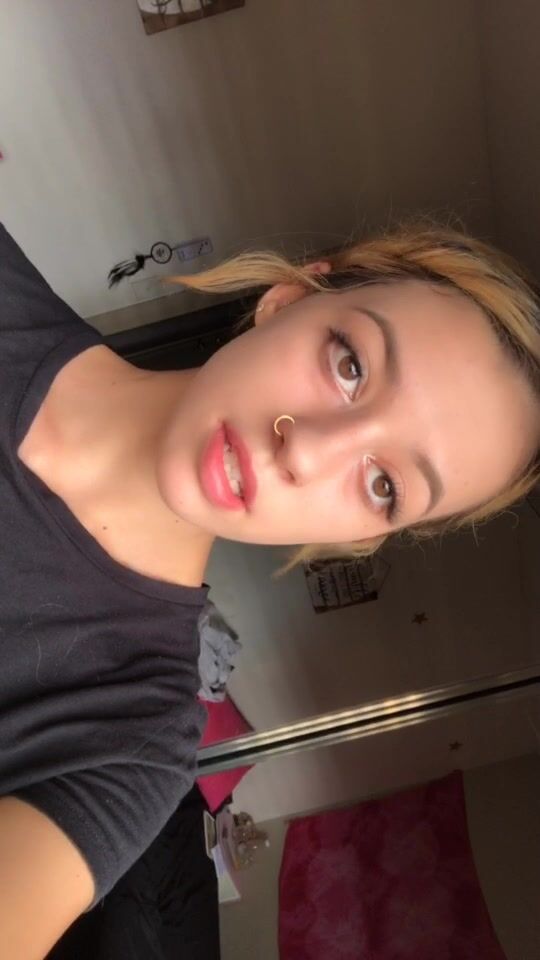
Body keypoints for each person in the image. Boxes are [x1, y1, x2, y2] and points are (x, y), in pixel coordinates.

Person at [0, 219, 538, 959]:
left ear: (363, 537)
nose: (307, 451)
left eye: (384, 485)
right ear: (290, 298)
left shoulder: (131, 742)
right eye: (350, 365)